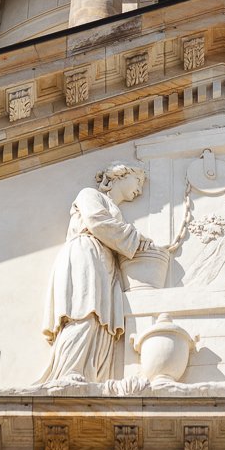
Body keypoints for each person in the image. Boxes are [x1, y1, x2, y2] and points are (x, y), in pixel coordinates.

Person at [39, 162, 158, 383]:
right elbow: (97, 222)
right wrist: (135, 237)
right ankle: (69, 371)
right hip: (86, 255)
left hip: (104, 264)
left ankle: (91, 376)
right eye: (138, 181)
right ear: (120, 175)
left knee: (101, 322)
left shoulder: (116, 212)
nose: (140, 189)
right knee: (84, 312)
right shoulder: (89, 194)